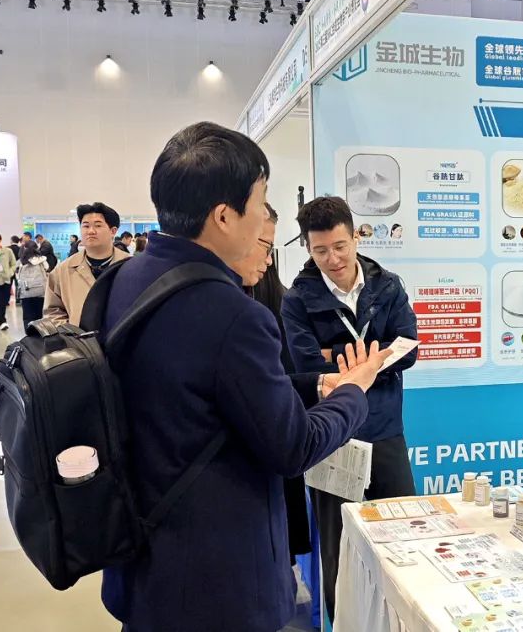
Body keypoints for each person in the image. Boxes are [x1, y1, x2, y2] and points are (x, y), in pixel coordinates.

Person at [99, 122, 388, 632]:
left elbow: (202, 392)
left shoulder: (123, 279)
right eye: (260, 202)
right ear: (224, 216)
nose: (262, 220)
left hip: (140, 563)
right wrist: (351, 391)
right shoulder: (232, 313)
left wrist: (312, 385)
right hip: (217, 584)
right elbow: (293, 446)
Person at [281, 195, 419, 620]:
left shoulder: (387, 286)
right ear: (308, 247)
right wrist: (374, 355)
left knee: (402, 534)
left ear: (356, 237)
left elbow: (409, 348)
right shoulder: (298, 299)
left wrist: (338, 355)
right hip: (331, 436)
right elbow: (307, 365)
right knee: (339, 548)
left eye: (340, 246)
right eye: (320, 250)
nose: (333, 259)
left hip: (385, 428)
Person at [228, 203, 312, 563]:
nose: (267, 257)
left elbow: (289, 373)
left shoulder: (277, 295)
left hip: (276, 432)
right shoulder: (221, 305)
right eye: (263, 245)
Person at [44, 202, 132, 326]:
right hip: (78, 337)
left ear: (113, 231)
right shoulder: (62, 270)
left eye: (98, 225)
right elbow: (52, 311)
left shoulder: (131, 265)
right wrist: (70, 334)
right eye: (85, 226)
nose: (90, 231)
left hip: (122, 336)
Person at [15, 241, 48, 332]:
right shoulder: (42, 259)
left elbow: (17, 275)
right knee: (40, 314)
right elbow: (47, 268)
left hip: (26, 292)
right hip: (40, 291)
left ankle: (29, 333)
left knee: (27, 315)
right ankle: (41, 332)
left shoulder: (21, 261)